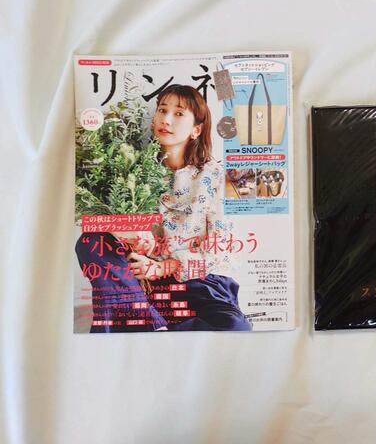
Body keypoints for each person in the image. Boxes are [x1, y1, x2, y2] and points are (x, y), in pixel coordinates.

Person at [75, 84, 252, 332]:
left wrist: (163, 267)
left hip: (199, 284)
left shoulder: (216, 177)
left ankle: (150, 328)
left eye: (178, 113)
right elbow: (99, 219)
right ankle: (153, 324)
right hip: (142, 285)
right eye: (162, 110)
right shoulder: (130, 168)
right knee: (90, 240)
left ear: (196, 129)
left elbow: (223, 250)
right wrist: (134, 237)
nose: (166, 119)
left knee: (234, 328)